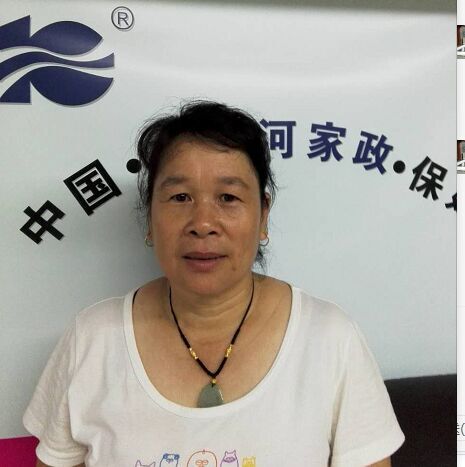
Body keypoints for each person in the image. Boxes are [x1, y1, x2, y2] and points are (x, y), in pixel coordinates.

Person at [24, 101, 405, 467]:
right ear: (149, 218)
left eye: (228, 197)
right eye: (180, 197)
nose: (203, 223)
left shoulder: (329, 339)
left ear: (263, 217)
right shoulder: (92, 338)